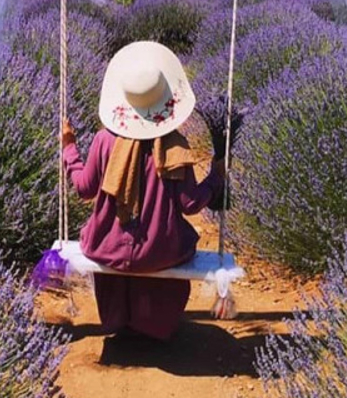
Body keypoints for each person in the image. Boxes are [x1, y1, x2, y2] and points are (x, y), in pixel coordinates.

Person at [60, 40, 225, 341]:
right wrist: (215, 179)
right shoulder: (175, 145)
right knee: (167, 246)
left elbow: (84, 189)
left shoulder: (103, 141)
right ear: (166, 101)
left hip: (105, 248)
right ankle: (153, 327)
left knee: (115, 248)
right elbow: (190, 204)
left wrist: (69, 149)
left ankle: (120, 322)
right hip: (160, 251)